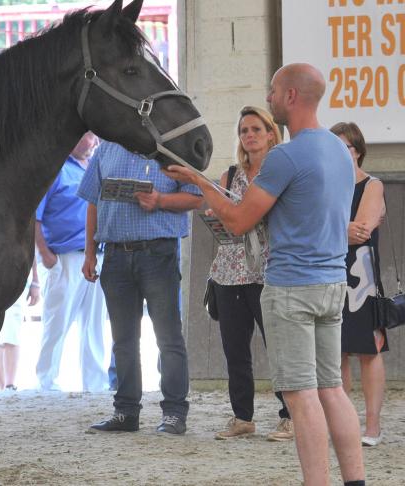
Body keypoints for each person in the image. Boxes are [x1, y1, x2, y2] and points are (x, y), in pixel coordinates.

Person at [166, 63, 365, 486]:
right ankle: (356, 481)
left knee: (301, 395)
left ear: (291, 96)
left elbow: (238, 221)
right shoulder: (336, 149)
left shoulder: (285, 157)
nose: (270, 97)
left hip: (292, 286)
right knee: (331, 389)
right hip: (332, 282)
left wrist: (200, 185)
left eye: (274, 90)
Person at [79, 141, 202, 435]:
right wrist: (89, 252)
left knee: (167, 336)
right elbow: (93, 201)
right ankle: (125, 412)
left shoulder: (170, 148)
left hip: (157, 252)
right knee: (123, 339)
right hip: (115, 254)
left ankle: (174, 412)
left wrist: (160, 200)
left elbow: (197, 197)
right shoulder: (105, 149)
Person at [209, 106, 293, 441]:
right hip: (229, 271)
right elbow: (222, 213)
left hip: (269, 271)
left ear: (271, 133)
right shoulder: (230, 175)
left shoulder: (281, 170)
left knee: (280, 347)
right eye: (244, 130)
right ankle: (242, 416)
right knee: (235, 350)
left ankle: (289, 415)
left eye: (256, 129)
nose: (250, 135)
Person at [35, 132, 108, 392]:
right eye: (90, 138)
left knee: (94, 323)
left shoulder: (96, 169)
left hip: (96, 254)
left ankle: (95, 383)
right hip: (64, 256)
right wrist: (45, 255)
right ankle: (47, 381)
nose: (94, 143)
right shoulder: (56, 170)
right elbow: (35, 216)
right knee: (57, 322)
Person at [331, 121, 387, 447]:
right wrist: (341, 230)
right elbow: (341, 232)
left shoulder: (372, 185)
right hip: (330, 275)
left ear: (358, 151)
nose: (340, 155)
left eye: (346, 148)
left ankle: (373, 426)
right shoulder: (324, 187)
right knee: (334, 353)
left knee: (369, 351)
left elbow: (361, 231)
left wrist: (331, 231)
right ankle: (344, 424)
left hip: (362, 279)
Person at [0, 266, 39, 391]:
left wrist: (35, 281)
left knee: (13, 332)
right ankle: (2, 386)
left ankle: (9, 385)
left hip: (17, 278)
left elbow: (31, 248)